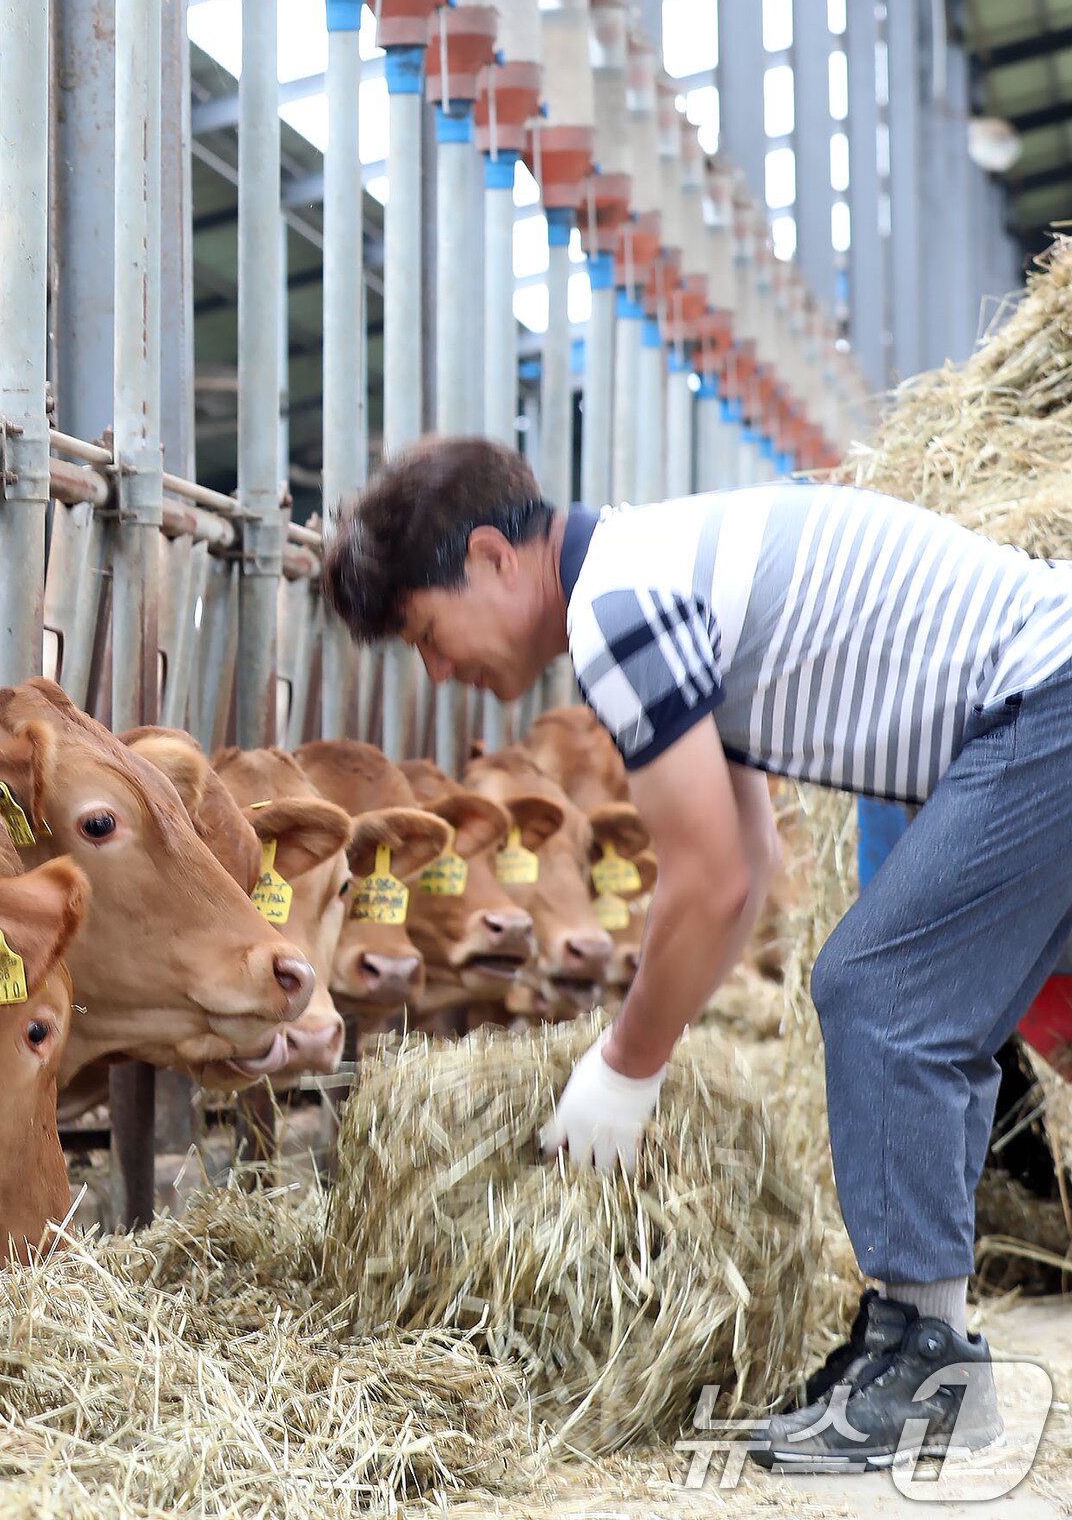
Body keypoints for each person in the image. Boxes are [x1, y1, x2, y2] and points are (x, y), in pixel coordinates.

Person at [322, 435, 1072, 1473]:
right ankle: (913, 1344)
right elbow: (749, 863)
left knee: (878, 989)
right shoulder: (653, 570)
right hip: (1044, 701)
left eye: (423, 631)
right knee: (981, 1002)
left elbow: (711, 879)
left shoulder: (617, 611)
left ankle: (923, 1356)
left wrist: (624, 1065)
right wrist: (642, 1047)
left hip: (1046, 696)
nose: (438, 669)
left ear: (492, 557)